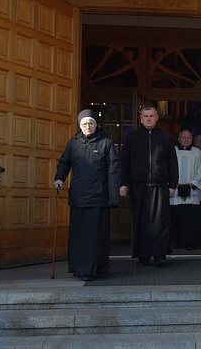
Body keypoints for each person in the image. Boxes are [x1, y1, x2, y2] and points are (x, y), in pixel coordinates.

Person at [53, 109, 119, 281]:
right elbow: (64, 163)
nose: (87, 126)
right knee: (79, 237)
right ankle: (78, 268)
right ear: (79, 126)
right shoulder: (73, 144)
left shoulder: (106, 143)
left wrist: (113, 197)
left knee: (94, 237)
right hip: (78, 197)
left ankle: (93, 270)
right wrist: (59, 178)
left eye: (90, 123)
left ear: (96, 125)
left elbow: (113, 170)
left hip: (98, 198)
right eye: (84, 124)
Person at [120, 105, 178, 268]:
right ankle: (143, 256)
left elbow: (172, 162)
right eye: (145, 116)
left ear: (157, 117)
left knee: (160, 223)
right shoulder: (132, 137)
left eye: (151, 116)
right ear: (140, 118)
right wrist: (123, 183)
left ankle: (160, 256)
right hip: (138, 186)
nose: (148, 119)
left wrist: (172, 184)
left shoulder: (165, 137)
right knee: (140, 222)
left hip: (160, 186)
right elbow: (124, 162)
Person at [170, 130, 201, 251]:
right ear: (179, 139)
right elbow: (168, 168)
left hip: (192, 189)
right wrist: (174, 183)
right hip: (176, 188)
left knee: (191, 218)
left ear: (192, 139)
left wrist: (193, 183)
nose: (186, 140)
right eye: (184, 138)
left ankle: (190, 242)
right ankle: (175, 241)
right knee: (175, 217)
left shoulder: (197, 152)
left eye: (189, 138)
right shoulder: (173, 151)